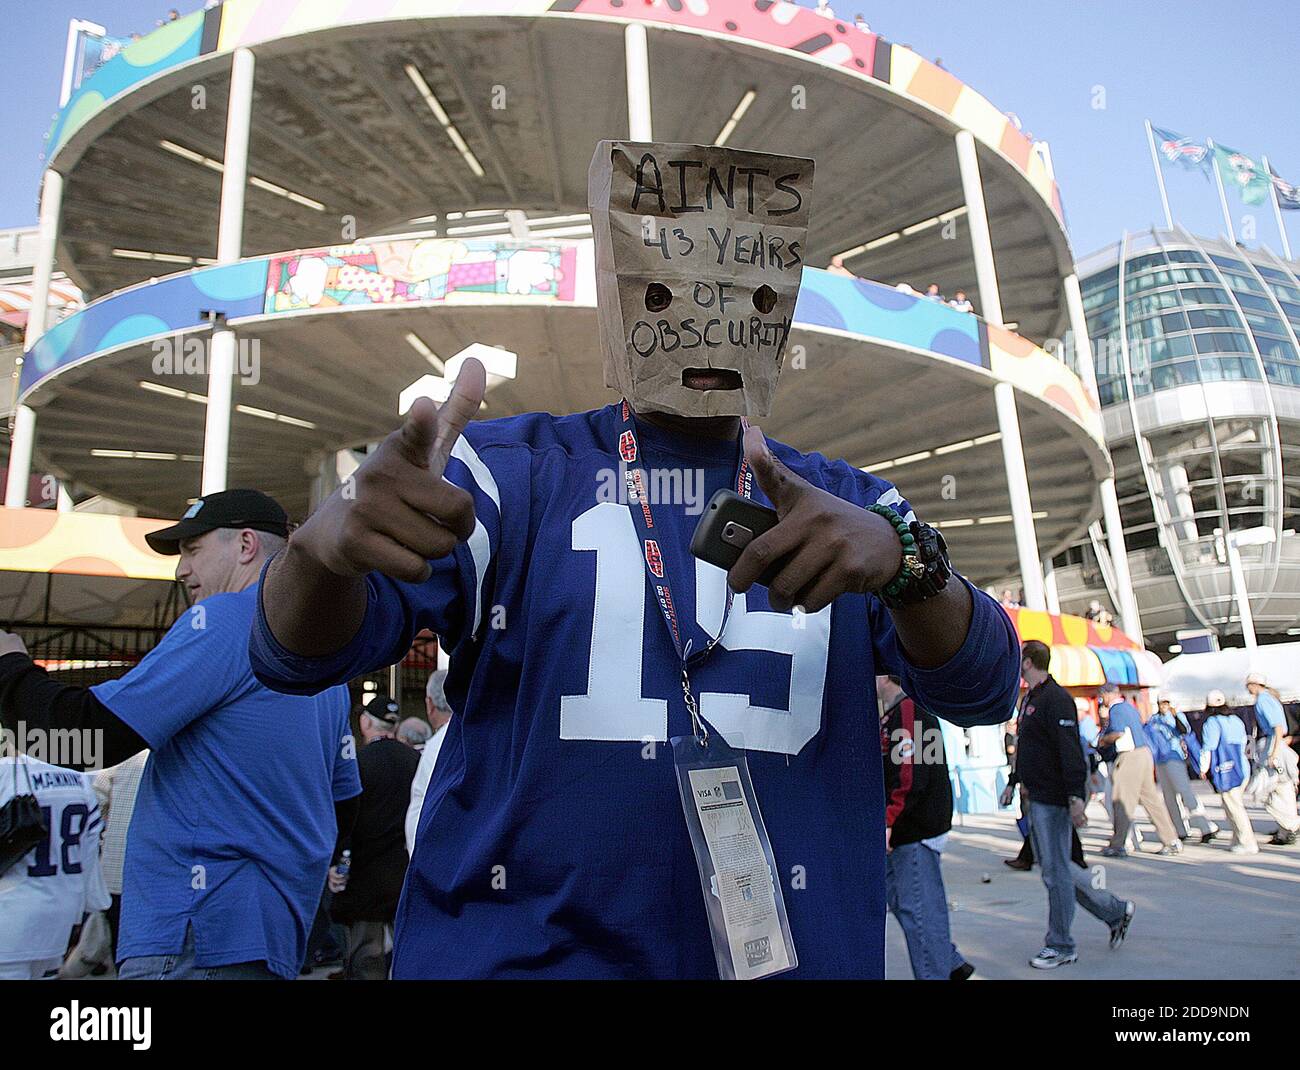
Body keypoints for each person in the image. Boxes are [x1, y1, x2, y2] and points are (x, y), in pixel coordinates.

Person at [250, 140, 1021, 980]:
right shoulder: (506, 474)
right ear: (619, 299)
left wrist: (909, 566)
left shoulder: (850, 507)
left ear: (778, 305)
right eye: (667, 281)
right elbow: (294, 653)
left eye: (738, 285)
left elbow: (984, 687)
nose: (702, 307)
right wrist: (322, 551)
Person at [0, 490, 361, 979]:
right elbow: (345, 801)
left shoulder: (224, 622)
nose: (180, 571)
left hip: (196, 929)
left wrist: (12, 670)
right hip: (274, 933)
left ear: (246, 544)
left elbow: (93, 739)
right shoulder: (325, 656)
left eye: (193, 550)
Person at [1003, 641, 1133, 970]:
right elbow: (1026, 747)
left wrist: (1075, 798)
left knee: (1056, 873)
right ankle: (1114, 911)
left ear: (1029, 662)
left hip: (1054, 798)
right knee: (1057, 870)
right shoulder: (1031, 699)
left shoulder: (1056, 699)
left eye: (1020, 659)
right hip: (1038, 795)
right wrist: (1013, 782)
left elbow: (1069, 751)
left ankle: (1061, 945)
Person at [878, 675, 973, 981]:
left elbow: (909, 775)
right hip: (911, 828)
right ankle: (951, 962)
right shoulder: (902, 711)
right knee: (909, 906)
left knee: (919, 912)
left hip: (913, 830)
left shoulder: (908, 711)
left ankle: (939, 970)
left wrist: (890, 820)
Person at [329, 696, 420, 980]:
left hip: (365, 881)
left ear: (365, 723)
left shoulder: (357, 764)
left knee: (365, 960)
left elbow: (343, 820)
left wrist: (338, 865)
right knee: (408, 957)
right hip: (406, 878)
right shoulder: (416, 760)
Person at [0, 755, 110, 979]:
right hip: (58, 920)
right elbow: (89, 858)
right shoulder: (78, 778)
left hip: (8, 918)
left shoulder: (5, 772)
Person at [1096, 683, 1180, 857]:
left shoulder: (1116, 709)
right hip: (1143, 754)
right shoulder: (1129, 707)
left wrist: (1103, 741)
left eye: (1102, 695)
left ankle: (1118, 844)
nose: (1101, 699)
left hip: (1130, 756)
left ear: (1108, 694)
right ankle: (1171, 840)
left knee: (1122, 800)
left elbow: (1119, 733)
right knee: (1151, 800)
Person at [92, 750, 150, 960]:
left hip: (115, 873)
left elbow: (94, 803)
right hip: (153, 878)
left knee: (118, 942)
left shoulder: (121, 757)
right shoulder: (175, 756)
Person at [1148, 699, 1218, 844]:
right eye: (1161, 703)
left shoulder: (1176, 716)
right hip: (1160, 761)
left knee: (1185, 792)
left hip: (1174, 758)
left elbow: (1185, 731)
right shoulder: (1154, 719)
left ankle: (1206, 827)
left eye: (1166, 703)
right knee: (1169, 798)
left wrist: (1174, 716)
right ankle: (1180, 830)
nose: (1163, 706)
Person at [1200, 691, 1257, 854]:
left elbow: (1208, 747)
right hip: (1242, 767)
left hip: (1226, 770)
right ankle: (1238, 838)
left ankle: (1247, 841)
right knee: (1234, 804)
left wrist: (1204, 768)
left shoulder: (1212, 722)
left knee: (1233, 807)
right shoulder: (1236, 720)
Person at [1246, 672, 1299, 846]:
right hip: (1276, 744)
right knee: (1283, 789)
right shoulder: (1270, 698)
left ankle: (1290, 825)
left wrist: (1274, 753)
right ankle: (1285, 829)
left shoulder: (1263, 700)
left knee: (1269, 789)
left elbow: (1277, 727)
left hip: (1272, 746)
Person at [406, 669, 454, 856]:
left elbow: (423, 807)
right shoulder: (482, 737)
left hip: (438, 859)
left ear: (430, 704)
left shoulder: (438, 746)